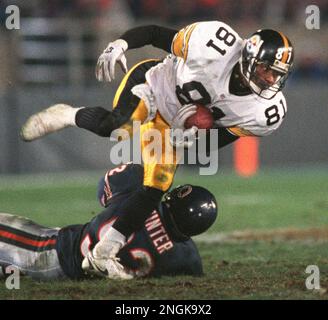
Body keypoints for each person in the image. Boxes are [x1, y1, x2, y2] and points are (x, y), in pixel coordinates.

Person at [20, 21, 294, 279]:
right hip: (153, 86)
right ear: (248, 57)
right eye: (265, 69)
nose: (270, 79)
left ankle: (105, 251)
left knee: (157, 185)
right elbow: (154, 33)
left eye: (277, 75)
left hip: (174, 124)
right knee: (116, 127)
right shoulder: (215, 43)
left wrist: (192, 138)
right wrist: (121, 43)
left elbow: (224, 135)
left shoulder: (267, 111)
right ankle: (66, 115)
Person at [0, 163, 217, 280]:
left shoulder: (139, 197)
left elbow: (105, 189)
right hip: (71, 273)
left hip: (53, 250)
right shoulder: (189, 260)